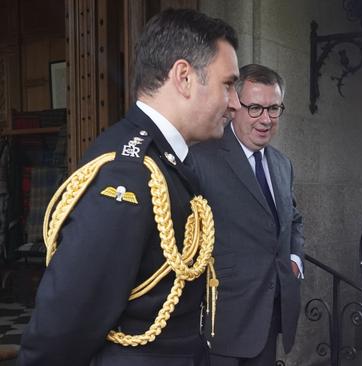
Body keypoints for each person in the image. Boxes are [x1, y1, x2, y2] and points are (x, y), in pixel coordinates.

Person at [18, 8, 240, 366]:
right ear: (183, 77)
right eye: (228, 84)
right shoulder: (130, 172)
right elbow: (66, 321)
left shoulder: (166, 159)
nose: (234, 103)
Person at [191, 63, 305, 365]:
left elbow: (292, 219)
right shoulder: (201, 159)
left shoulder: (282, 164)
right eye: (255, 108)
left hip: (269, 314)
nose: (265, 119)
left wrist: (293, 259)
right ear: (233, 107)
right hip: (222, 320)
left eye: (274, 108)